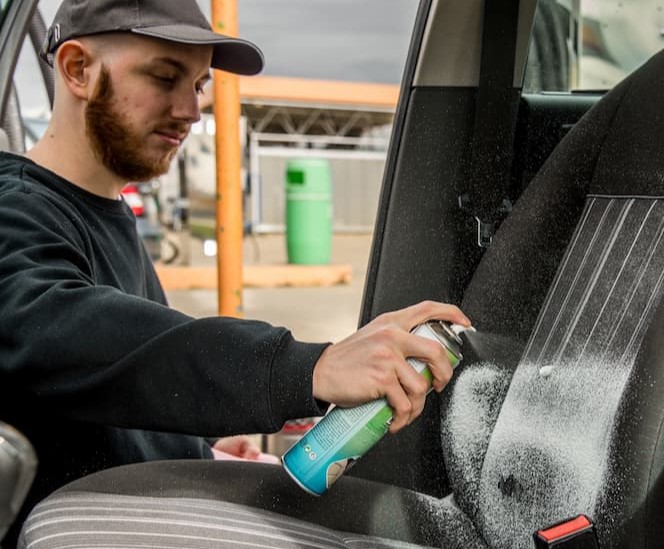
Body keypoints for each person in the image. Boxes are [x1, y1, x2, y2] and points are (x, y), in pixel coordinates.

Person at [0, 0, 470, 546]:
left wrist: (202, 454)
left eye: (197, 83)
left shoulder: (104, 212)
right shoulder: (16, 214)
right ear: (78, 69)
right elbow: (68, 337)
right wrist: (306, 366)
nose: (190, 109)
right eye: (165, 76)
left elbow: (123, 380)